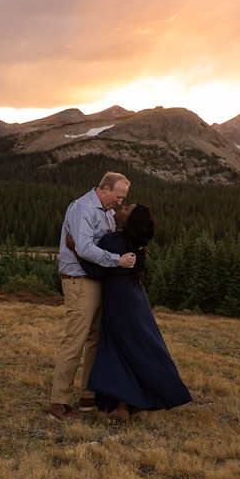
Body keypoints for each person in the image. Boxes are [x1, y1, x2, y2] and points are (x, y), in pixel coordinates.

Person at [77, 204, 192, 421]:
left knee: (120, 349)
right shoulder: (136, 243)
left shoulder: (112, 241)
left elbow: (96, 271)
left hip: (119, 301)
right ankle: (137, 404)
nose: (122, 207)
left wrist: (76, 249)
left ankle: (122, 404)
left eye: (127, 208)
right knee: (137, 347)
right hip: (138, 299)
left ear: (127, 220)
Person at [49, 172, 136, 421]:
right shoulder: (82, 208)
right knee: (75, 339)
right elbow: (85, 248)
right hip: (79, 281)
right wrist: (117, 261)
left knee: (95, 340)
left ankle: (88, 395)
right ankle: (59, 402)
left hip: (98, 282)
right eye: (118, 197)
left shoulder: (107, 212)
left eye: (123, 199)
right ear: (105, 188)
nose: (119, 202)